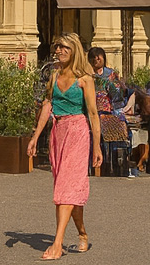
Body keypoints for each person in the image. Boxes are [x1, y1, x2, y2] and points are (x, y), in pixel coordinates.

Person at [27, 33, 102, 260]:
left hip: (77, 132)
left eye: (64, 48)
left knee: (65, 189)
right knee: (65, 188)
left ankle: (57, 244)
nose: (59, 51)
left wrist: (97, 147)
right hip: (57, 133)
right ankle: (82, 233)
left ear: (74, 51)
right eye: (57, 47)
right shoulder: (54, 75)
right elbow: (47, 106)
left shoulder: (85, 80)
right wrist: (35, 137)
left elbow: (93, 114)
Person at [88, 47, 133, 174]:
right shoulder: (85, 74)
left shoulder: (110, 74)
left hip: (107, 111)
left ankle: (111, 164)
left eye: (99, 56)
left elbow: (117, 96)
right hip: (90, 111)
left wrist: (110, 85)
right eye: (94, 57)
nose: (97, 59)